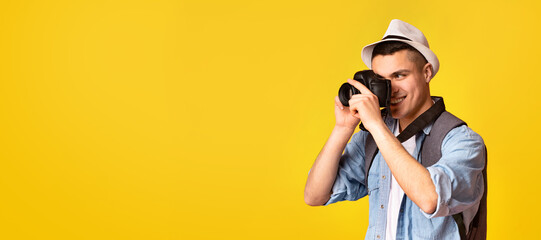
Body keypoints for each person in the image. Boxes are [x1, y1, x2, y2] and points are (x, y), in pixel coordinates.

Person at [304, 19, 486, 240]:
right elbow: (314, 195)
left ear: (427, 73)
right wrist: (343, 128)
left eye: (399, 75)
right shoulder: (372, 137)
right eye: (381, 80)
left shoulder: (463, 141)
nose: (391, 89)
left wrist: (377, 126)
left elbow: (431, 200)